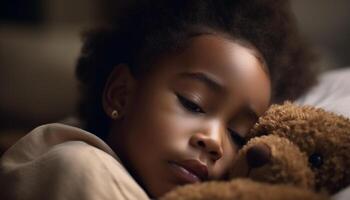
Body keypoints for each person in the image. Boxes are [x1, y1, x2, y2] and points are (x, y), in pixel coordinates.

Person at [0, 0, 316, 199]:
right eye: (193, 104)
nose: (214, 142)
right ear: (121, 94)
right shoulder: (78, 169)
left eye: (237, 134)